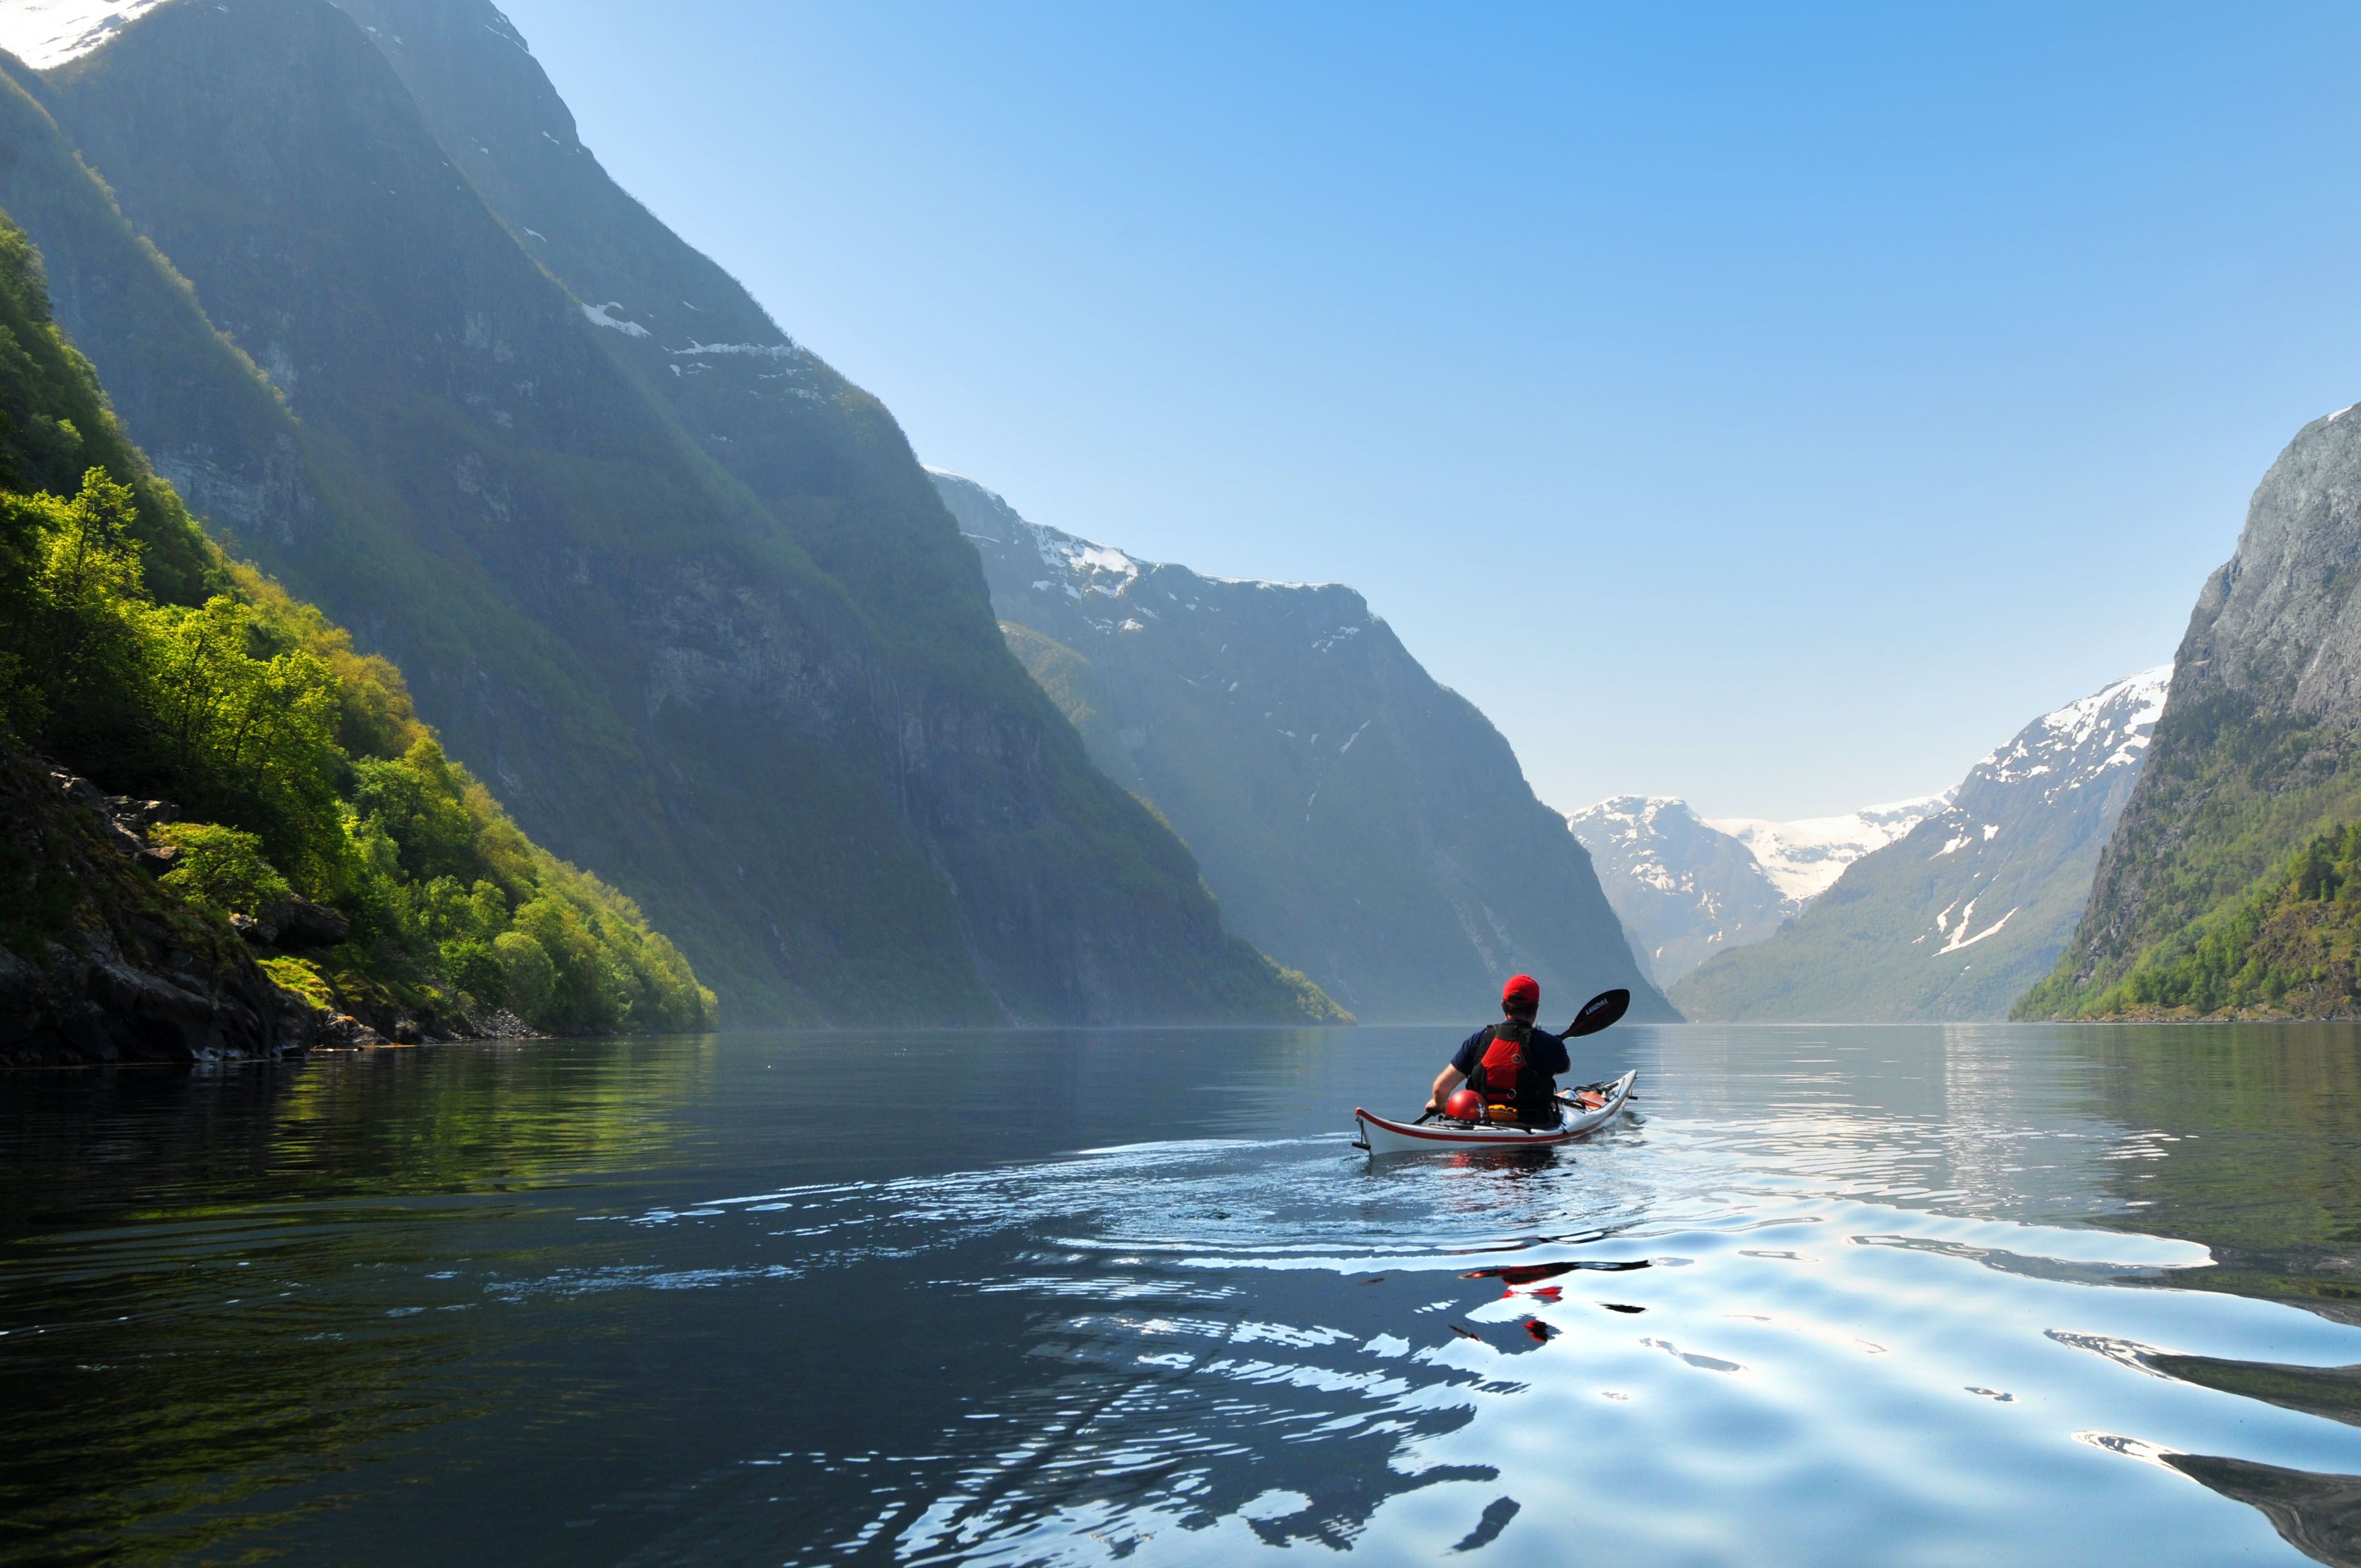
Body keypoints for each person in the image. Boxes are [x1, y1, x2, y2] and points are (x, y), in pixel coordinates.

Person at [1426, 974, 1569, 1126]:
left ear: (1503, 1006)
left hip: (1481, 1122)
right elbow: (1563, 1067)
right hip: (1535, 1124)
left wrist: (1440, 1104)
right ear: (1536, 1009)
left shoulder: (1480, 1040)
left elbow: (1441, 1088)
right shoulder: (1551, 1044)